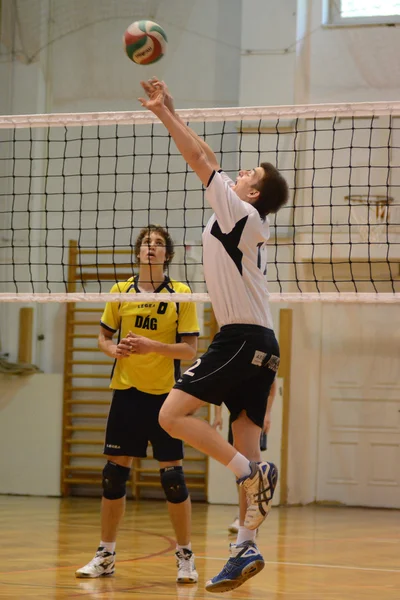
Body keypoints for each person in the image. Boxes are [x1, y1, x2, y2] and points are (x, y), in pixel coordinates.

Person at [139, 79, 288, 593]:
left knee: (171, 415)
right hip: (263, 343)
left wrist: (162, 117)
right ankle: (244, 546)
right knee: (245, 443)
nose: (240, 172)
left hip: (241, 337)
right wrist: (174, 108)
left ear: (252, 193)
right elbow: (208, 154)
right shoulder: (241, 215)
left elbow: (197, 159)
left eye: (250, 174)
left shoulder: (237, 211)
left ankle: (254, 472)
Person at [75, 225, 200, 584]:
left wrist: (153, 347)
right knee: (113, 476)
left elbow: (190, 350)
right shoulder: (120, 291)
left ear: (168, 255)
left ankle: (185, 556)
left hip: (166, 398)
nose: (152, 248)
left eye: (159, 244)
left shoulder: (181, 293)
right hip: (126, 391)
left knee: (173, 479)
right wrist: (111, 349)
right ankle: (106, 555)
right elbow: (103, 335)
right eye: (147, 243)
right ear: (138, 251)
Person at [212, 380, 277, 534]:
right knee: (239, 469)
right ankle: (243, 513)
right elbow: (218, 386)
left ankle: (253, 514)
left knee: (251, 464)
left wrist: (267, 413)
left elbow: (272, 384)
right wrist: (218, 415)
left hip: (255, 414)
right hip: (237, 416)